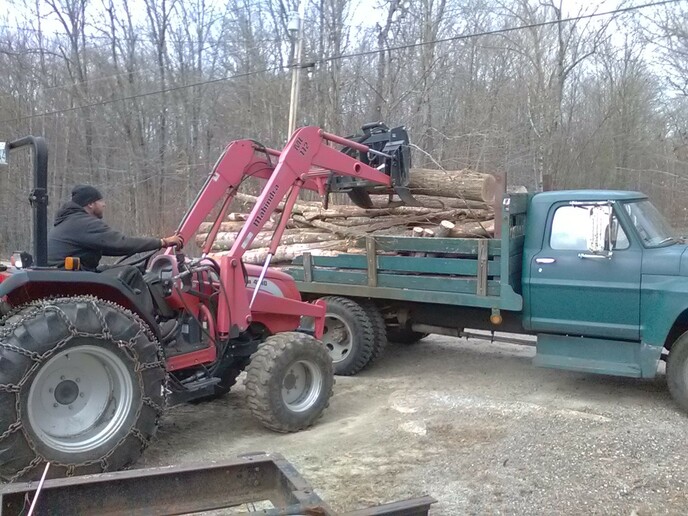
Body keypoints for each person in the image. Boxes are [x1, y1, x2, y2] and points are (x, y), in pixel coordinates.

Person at [48, 184, 183, 271]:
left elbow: (110, 247)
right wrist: (162, 242)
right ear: (90, 204)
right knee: (131, 273)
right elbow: (121, 243)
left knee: (122, 269)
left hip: (67, 273)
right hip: (73, 276)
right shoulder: (84, 223)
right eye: (100, 201)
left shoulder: (69, 221)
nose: (104, 205)